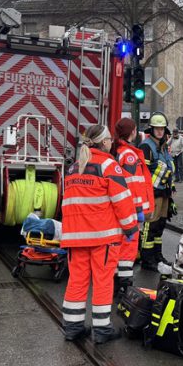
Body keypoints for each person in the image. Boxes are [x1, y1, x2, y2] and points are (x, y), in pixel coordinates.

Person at [59, 124, 139, 344]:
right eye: (109, 140)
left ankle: (73, 327)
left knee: (77, 280)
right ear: (104, 142)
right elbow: (122, 200)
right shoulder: (108, 165)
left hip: (75, 237)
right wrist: (131, 227)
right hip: (102, 237)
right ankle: (102, 329)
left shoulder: (75, 167)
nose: (112, 143)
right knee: (103, 281)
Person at [111, 118, 152, 298]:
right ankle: (124, 287)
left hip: (121, 208)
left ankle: (115, 284)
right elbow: (133, 184)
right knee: (127, 251)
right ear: (132, 132)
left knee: (118, 249)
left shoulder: (119, 152)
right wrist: (139, 211)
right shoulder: (128, 155)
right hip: (130, 210)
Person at [138, 112, 176, 271]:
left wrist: (171, 188)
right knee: (150, 227)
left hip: (164, 192)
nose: (160, 131)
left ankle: (157, 256)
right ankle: (147, 260)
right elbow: (143, 171)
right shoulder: (147, 146)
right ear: (151, 129)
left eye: (162, 129)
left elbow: (168, 167)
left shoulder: (163, 146)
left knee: (160, 226)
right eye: (157, 129)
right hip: (152, 193)